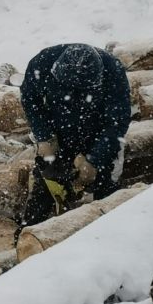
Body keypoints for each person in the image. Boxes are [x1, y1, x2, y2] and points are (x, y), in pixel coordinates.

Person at [18, 43, 131, 229]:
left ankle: (106, 231)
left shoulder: (113, 72)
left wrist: (94, 160)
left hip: (96, 131)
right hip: (59, 130)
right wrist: (44, 137)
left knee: (104, 190)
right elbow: (31, 101)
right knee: (47, 180)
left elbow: (116, 122)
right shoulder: (42, 64)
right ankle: (29, 232)